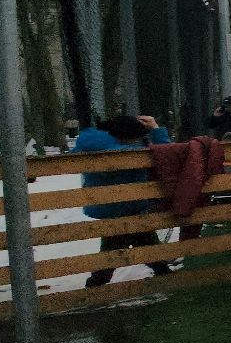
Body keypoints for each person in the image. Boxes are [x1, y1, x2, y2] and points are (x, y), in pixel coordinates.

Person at [75, 114, 177, 287]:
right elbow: (167, 155)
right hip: (125, 208)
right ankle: (96, 284)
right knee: (121, 247)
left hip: (115, 208)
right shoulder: (123, 152)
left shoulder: (94, 144)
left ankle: (97, 283)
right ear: (127, 137)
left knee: (133, 243)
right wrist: (156, 129)